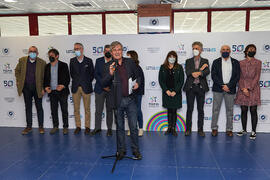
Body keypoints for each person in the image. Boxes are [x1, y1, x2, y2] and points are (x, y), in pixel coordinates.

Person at [102, 41, 142, 160]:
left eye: (119, 49)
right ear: (111, 52)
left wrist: (138, 83)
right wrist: (110, 73)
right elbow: (103, 83)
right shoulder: (108, 66)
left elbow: (138, 75)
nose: (117, 52)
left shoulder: (129, 62)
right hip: (117, 101)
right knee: (119, 127)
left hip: (130, 100)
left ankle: (136, 150)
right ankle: (121, 150)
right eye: (114, 50)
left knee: (133, 127)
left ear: (122, 50)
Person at [15, 46, 46, 135]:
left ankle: (41, 126)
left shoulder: (42, 62)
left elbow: (45, 77)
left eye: (34, 51)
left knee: (39, 107)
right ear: (28, 52)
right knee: (28, 107)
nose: (32, 53)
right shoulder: (22, 60)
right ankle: (29, 127)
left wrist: (43, 88)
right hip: (26, 88)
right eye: (31, 51)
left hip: (38, 88)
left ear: (37, 53)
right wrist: (18, 80)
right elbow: (17, 71)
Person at [211, 45, 240, 137]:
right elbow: (213, 75)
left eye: (227, 49)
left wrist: (229, 86)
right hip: (218, 89)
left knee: (230, 110)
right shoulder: (216, 62)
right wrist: (222, 85)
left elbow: (237, 76)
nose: (225, 51)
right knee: (215, 110)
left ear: (230, 51)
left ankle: (229, 129)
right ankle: (214, 128)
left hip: (230, 89)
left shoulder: (235, 62)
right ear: (220, 51)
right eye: (223, 49)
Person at [235, 44, 262, 140]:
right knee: (244, 110)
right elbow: (239, 76)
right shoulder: (240, 63)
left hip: (254, 89)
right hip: (242, 88)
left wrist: (249, 88)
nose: (252, 51)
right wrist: (243, 88)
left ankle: (253, 131)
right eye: (250, 49)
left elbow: (257, 77)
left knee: (253, 110)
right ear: (246, 51)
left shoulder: (258, 62)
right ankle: (244, 129)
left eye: (254, 50)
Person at [183, 41, 210, 137]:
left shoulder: (205, 61)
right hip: (190, 88)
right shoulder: (188, 61)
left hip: (201, 87)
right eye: (193, 48)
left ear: (201, 50)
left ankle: (200, 130)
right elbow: (188, 72)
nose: (195, 50)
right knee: (189, 109)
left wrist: (200, 72)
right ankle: (188, 129)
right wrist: (198, 71)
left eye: (197, 48)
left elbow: (207, 72)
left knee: (200, 109)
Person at [70, 43, 94, 135]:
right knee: (76, 109)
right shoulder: (72, 61)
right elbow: (71, 74)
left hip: (86, 87)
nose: (76, 50)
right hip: (75, 87)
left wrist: (86, 82)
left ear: (82, 49)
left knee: (87, 108)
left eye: (78, 48)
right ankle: (78, 126)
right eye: (75, 49)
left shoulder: (89, 60)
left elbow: (92, 74)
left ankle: (87, 127)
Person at [44, 49, 70, 135]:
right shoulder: (47, 66)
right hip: (52, 92)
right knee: (53, 110)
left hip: (62, 92)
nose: (50, 57)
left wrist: (62, 85)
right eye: (49, 55)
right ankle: (55, 126)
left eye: (52, 55)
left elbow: (67, 79)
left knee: (64, 109)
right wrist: (46, 87)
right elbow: (45, 79)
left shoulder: (64, 65)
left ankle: (65, 127)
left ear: (57, 56)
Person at [158, 51, 184, 137]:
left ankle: (173, 128)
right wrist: (166, 90)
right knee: (169, 110)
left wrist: (175, 91)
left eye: (174, 57)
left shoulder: (179, 67)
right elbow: (161, 80)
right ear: (167, 57)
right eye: (170, 56)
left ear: (176, 58)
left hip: (176, 92)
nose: (172, 58)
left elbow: (181, 81)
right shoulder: (162, 67)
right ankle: (169, 127)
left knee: (174, 110)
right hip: (167, 92)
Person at [92, 45, 114, 136]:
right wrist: (103, 85)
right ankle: (97, 128)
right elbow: (96, 74)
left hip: (110, 90)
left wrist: (107, 86)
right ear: (103, 52)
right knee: (98, 110)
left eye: (109, 51)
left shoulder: (114, 61)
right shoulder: (98, 60)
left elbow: (114, 76)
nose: (107, 52)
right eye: (106, 51)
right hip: (99, 89)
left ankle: (109, 129)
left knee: (109, 110)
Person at [126, 50, 145, 137]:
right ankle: (132, 128)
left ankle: (140, 128)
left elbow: (140, 79)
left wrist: (137, 84)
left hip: (137, 93)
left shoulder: (138, 68)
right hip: (129, 93)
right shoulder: (126, 67)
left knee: (137, 110)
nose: (126, 58)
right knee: (130, 111)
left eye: (128, 56)